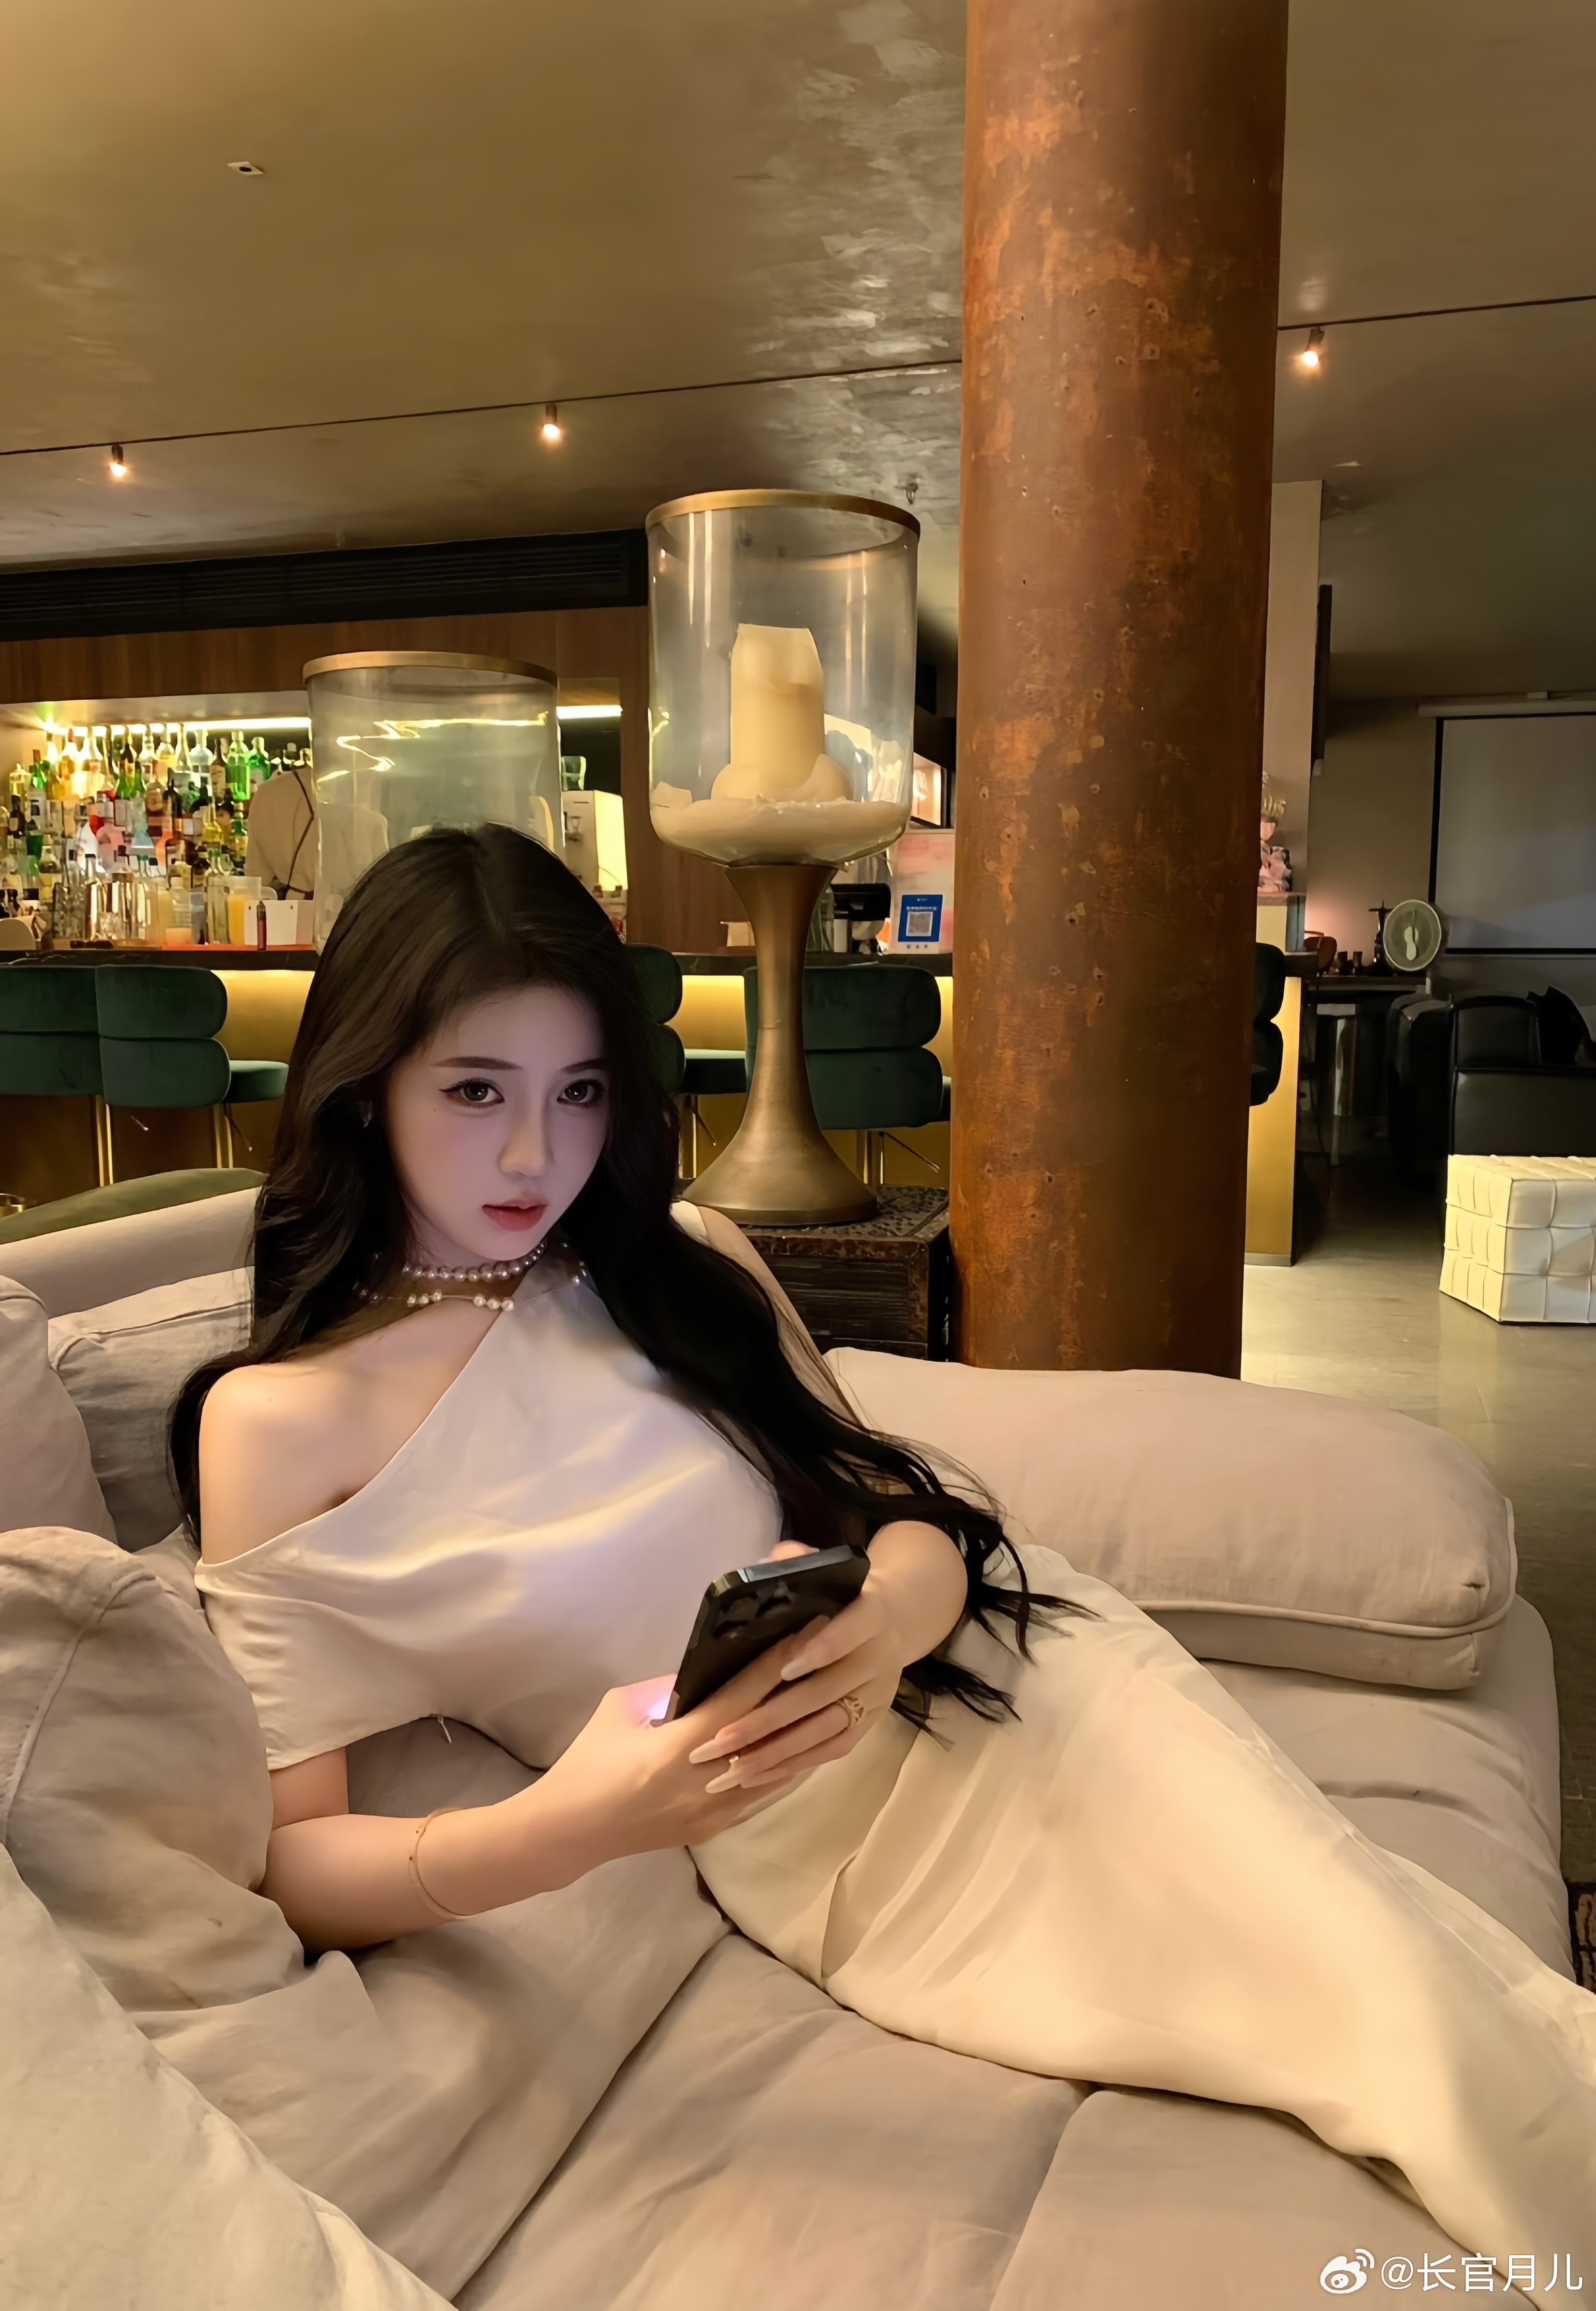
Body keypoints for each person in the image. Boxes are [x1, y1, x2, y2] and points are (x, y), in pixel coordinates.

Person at [181, 826, 1594, 2302]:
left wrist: (900, 1611)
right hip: (841, 1864)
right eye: (477, 1091)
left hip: (1017, 1680)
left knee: (1403, 1993)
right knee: (1382, 2022)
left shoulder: (674, 1264)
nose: (538, 1152)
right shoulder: (276, 1429)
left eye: (580, 1090)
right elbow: (299, 1861)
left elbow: (893, 1506)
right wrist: (576, 1823)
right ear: (364, 1084)